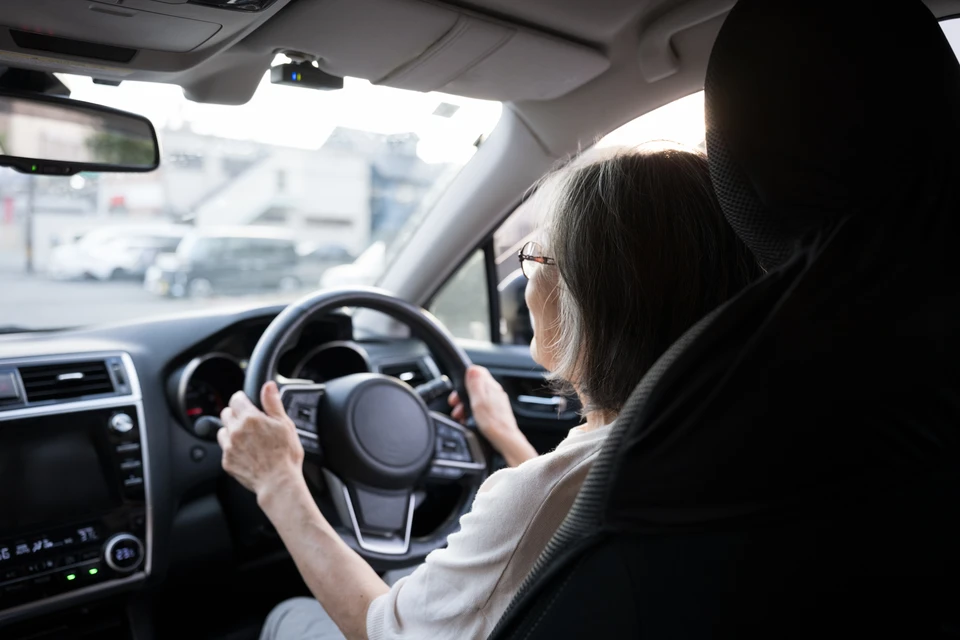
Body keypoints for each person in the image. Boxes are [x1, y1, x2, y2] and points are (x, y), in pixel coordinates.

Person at [218, 142, 763, 640]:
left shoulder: (538, 496)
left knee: (287, 617)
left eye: (535, 258)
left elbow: (381, 628)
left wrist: (278, 482)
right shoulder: (736, 430)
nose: (523, 282)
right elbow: (564, 522)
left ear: (591, 299)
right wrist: (507, 438)